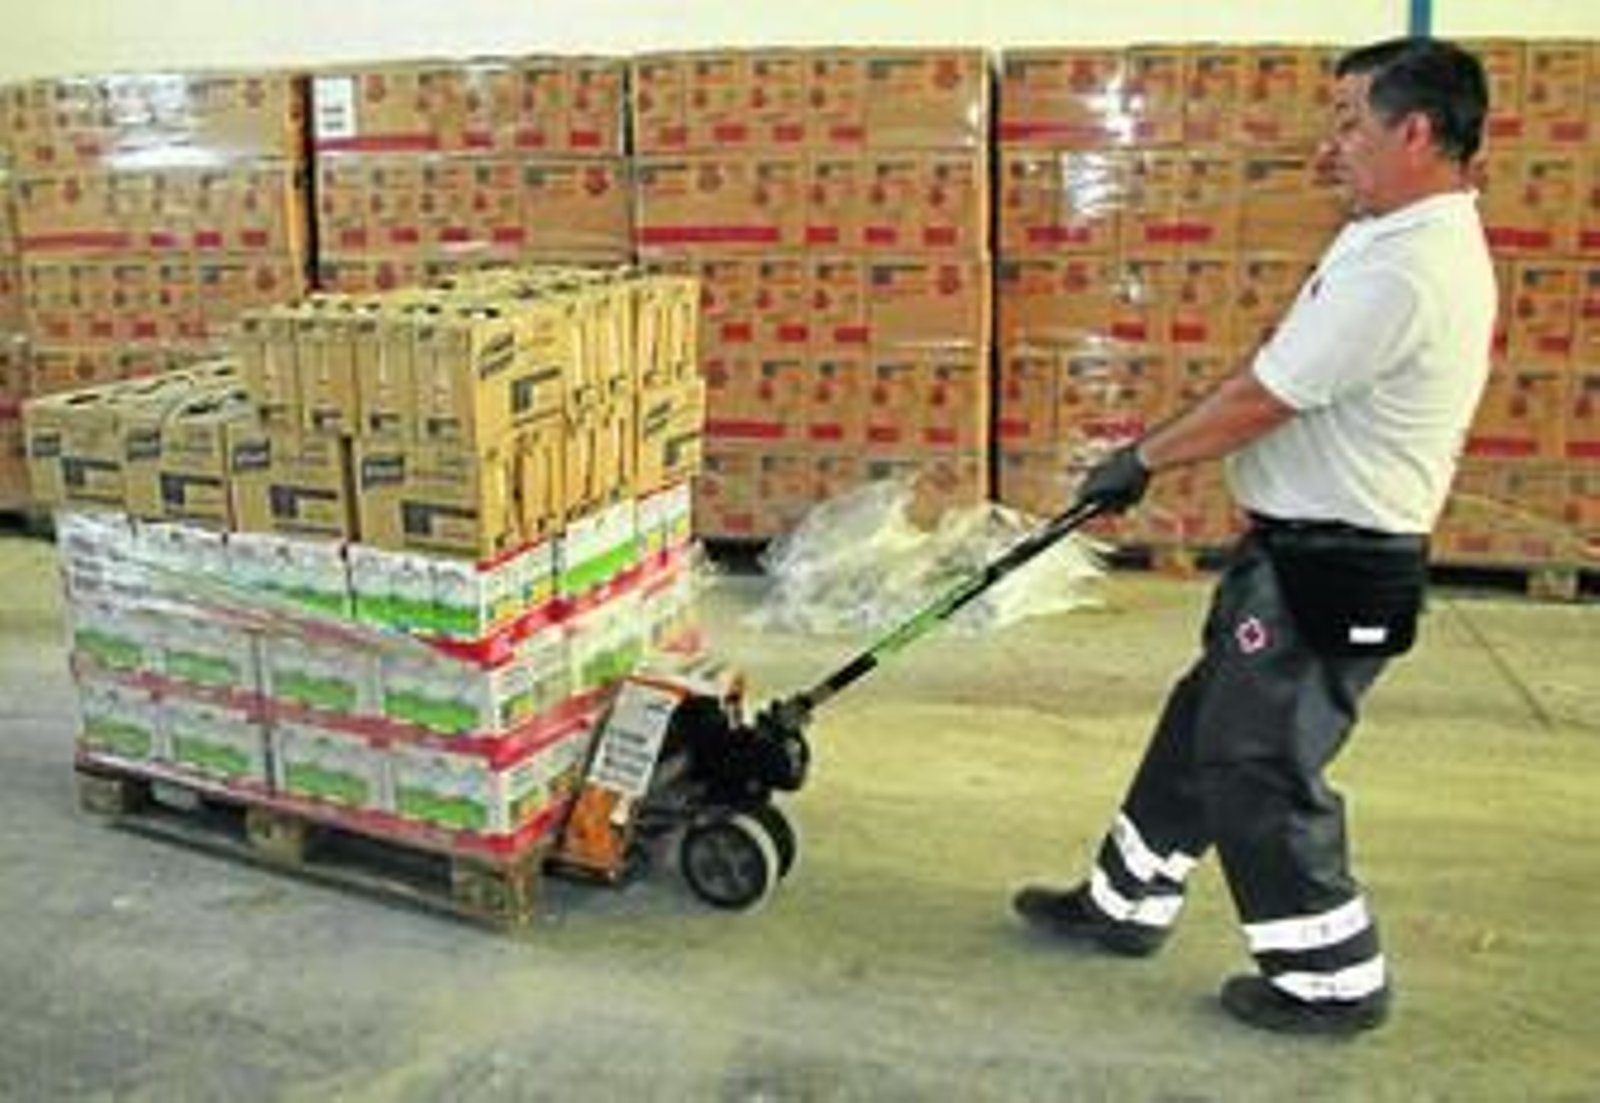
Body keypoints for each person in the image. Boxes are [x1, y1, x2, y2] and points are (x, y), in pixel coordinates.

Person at [1013, 37, 1495, 1036]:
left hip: (1335, 562)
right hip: (1293, 549)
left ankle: (1331, 978)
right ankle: (1124, 901)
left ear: (1416, 131)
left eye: (1350, 122)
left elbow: (1265, 395)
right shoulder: (1388, 231)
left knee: (1258, 761)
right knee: (1202, 728)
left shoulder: (1410, 266)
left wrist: (1141, 459)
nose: (1331, 145)